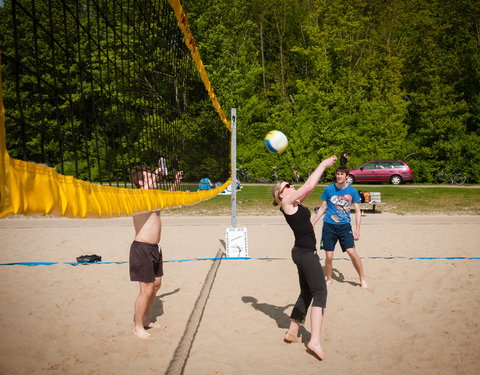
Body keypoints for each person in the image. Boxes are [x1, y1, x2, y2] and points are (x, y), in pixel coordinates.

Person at [271, 155, 337, 360]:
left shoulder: (296, 202)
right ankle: (314, 340)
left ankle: (292, 331)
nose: (291, 186)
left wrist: (318, 216)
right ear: (280, 195)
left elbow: (307, 193)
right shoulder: (287, 203)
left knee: (306, 292)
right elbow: (309, 184)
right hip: (304, 254)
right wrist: (323, 165)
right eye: (287, 186)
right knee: (320, 292)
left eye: (290, 184)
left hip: (302, 251)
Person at [129, 166, 183, 339]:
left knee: (156, 286)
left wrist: (176, 182)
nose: (156, 181)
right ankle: (137, 327)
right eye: (151, 178)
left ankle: (146, 319)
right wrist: (159, 172)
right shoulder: (138, 197)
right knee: (146, 289)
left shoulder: (155, 196)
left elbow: (168, 197)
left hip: (155, 248)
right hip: (141, 248)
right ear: (140, 182)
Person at [311, 166, 368, 288]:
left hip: (344, 226)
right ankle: (329, 278)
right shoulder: (329, 189)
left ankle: (362, 278)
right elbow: (322, 208)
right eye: (337, 174)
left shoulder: (352, 191)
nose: (339, 176)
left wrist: (357, 230)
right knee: (329, 255)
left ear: (347, 176)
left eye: (342, 174)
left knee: (351, 252)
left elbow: (358, 212)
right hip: (329, 226)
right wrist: (313, 222)